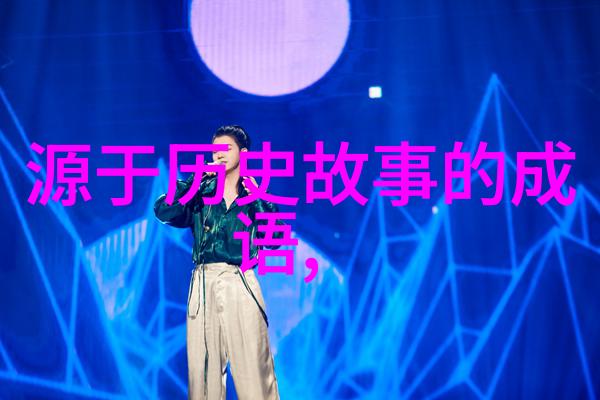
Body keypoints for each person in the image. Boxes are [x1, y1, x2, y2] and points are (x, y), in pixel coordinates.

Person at [153, 125, 281, 400]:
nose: (219, 155)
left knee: (254, 367)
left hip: (239, 279)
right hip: (203, 280)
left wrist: (257, 198)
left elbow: (275, 238)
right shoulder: (201, 192)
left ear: (243, 154)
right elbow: (164, 210)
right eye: (215, 150)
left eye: (227, 148)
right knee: (203, 373)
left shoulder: (254, 195)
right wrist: (194, 182)